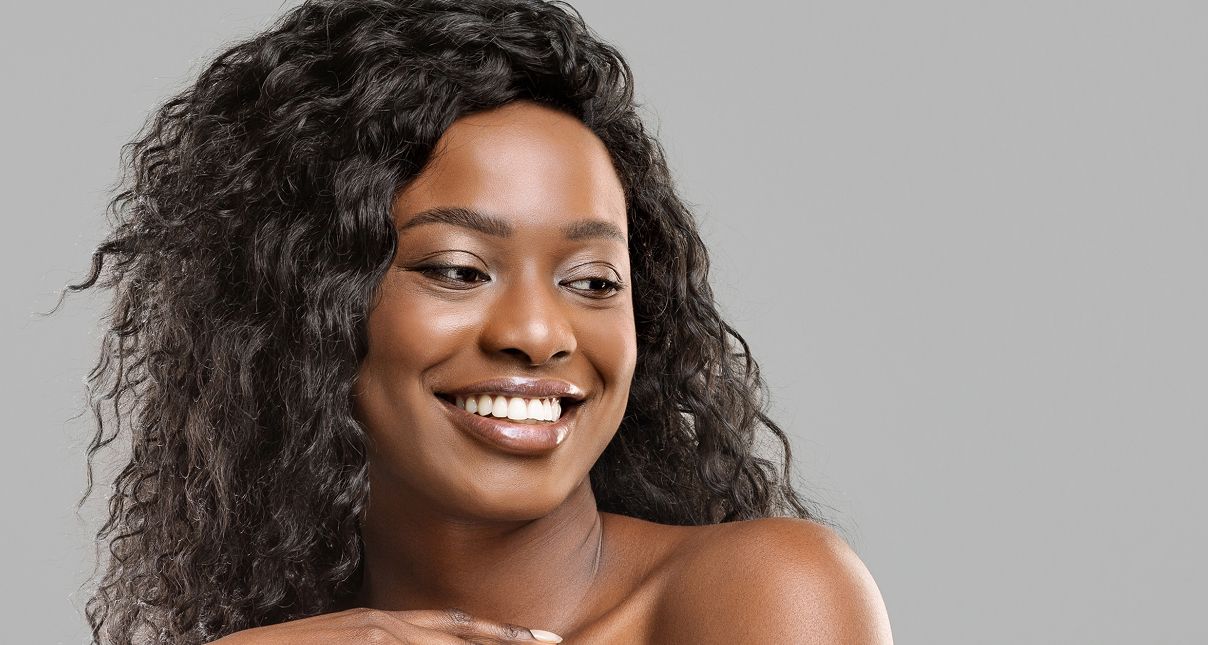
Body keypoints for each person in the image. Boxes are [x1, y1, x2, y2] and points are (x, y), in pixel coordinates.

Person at [69, 0, 893, 642]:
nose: (539, 333)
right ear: (307, 304)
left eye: (593, 280)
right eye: (459, 270)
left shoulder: (765, 596)